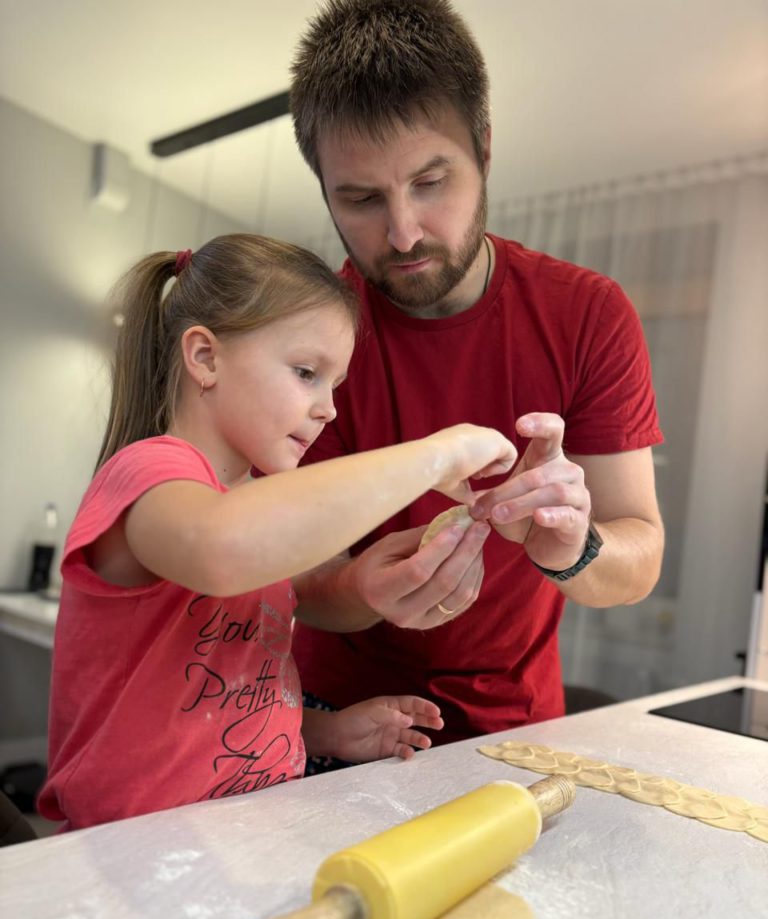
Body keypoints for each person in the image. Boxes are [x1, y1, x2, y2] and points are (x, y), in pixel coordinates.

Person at [37, 233, 517, 830]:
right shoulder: (147, 473)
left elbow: (213, 703)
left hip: (244, 830)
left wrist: (327, 732)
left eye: (335, 385)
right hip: (127, 848)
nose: (329, 409)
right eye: (306, 373)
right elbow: (223, 548)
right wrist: (435, 455)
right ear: (205, 358)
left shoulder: (251, 502)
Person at [288, 0, 665, 749]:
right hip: (335, 726)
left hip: (513, 731)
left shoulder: (589, 314)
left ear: (484, 150)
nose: (403, 233)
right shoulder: (306, 338)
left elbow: (641, 554)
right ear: (324, 189)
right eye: (360, 199)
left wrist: (575, 547)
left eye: (431, 182)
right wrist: (363, 589)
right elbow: (292, 579)